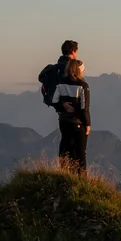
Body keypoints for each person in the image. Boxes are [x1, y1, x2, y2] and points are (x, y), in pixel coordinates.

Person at [42, 40, 92, 172]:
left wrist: (61, 105)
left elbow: (54, 97)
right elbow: (84, 107)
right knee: (79, 152)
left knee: (65, 147)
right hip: (77, 120)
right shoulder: (80, 82)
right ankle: (79, 178)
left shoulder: (57, 69)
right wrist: (87, 124)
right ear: (74, 51)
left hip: (63, 117)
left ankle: (64, 173)